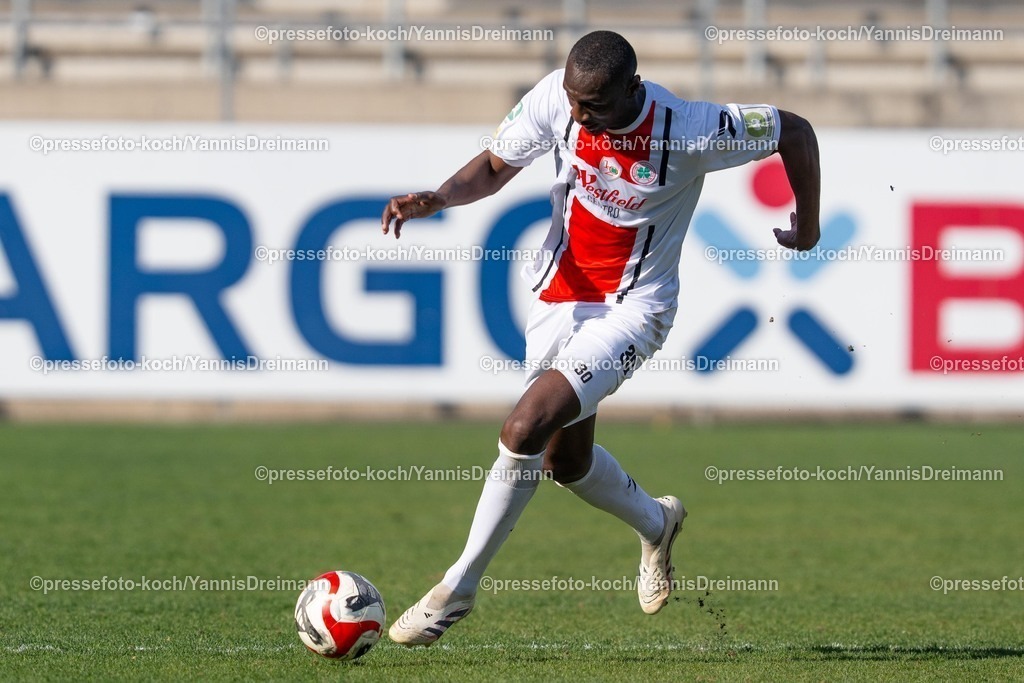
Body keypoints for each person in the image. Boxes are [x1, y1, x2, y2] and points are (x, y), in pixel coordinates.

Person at [380, 29, 820, 646]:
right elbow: (495, 165)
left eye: (595, 107)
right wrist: (439, 198)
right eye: (574, 102)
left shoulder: (692, 127)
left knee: (523, 427)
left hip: (633, 310)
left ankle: (457, 588)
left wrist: (809, 222)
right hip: (559, 299)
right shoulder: (559, 100)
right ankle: (657, 522)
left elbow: (794, 130)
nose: (580, 117)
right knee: (567, 461)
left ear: (631, 88)